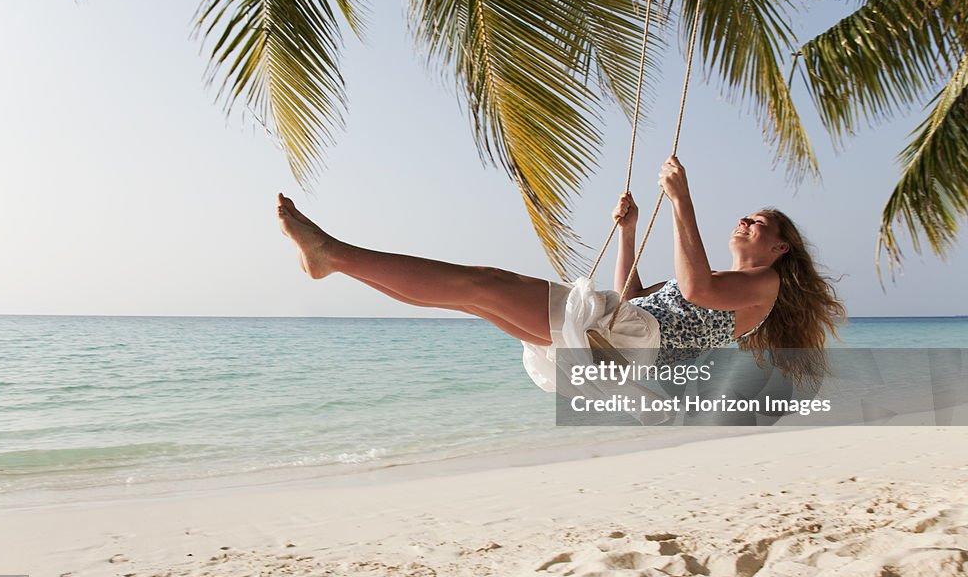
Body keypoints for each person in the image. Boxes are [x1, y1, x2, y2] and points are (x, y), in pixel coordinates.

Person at [276, 156, 845, 388]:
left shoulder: (762, 286)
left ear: (781, 249)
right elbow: (636, 297)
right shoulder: (733, 282)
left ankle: (334, 255)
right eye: (746, 215)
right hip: (621, 334)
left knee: (483, 283)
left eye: (761, 222)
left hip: (624, 348)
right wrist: (628, 233)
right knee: (472, 296)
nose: (747, 220)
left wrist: (682, 201)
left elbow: (693, 288)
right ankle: (334, 262)